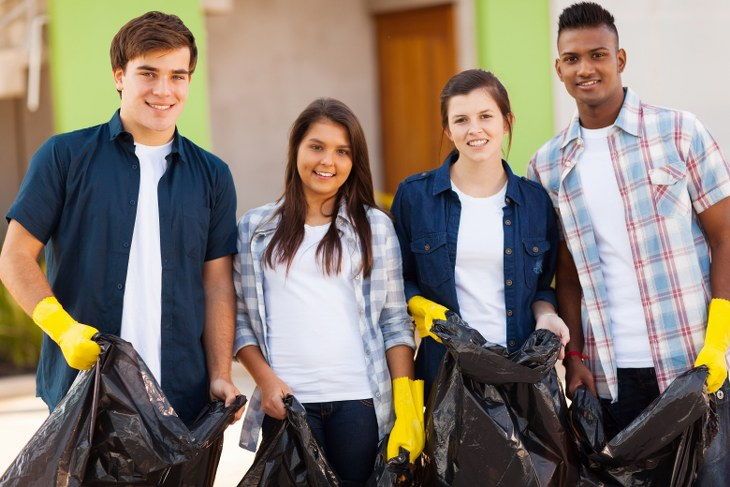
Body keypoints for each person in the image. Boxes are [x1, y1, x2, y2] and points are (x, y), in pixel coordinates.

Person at [0, 11, 243, 426]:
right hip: (84, 395)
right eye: (148, 73)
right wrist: (63, 330)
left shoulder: (212, 175)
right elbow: (15, 257)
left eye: (177, 76)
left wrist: (220, 373)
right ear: (119, 76)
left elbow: (217, 282)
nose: (164, 90)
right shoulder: (64, 157)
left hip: (182, 398)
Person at [529, 3, 729, 483]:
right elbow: (567, 271)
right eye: (572, 59)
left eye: (598, 55)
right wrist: (575, 358)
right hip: (614, 379)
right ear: (559, 68)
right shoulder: (548, 164)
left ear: (620, 59)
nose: (585, 69)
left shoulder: (679, 132)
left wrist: (719, 338)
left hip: (696, 365)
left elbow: (725, 236)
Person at [234, 98, 423, 485]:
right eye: (316, 147)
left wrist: (405, 405)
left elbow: (394, 320)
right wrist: (266, 383)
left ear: (355, 161)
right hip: (286, 404)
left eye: (342, 151)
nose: (327, 161)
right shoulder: (255, 229)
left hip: (360, 403)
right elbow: (241, 320)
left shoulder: (375, 228)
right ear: (297, 150)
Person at [391, 69, 570, 396]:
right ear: (447, 129)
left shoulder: (535, 201)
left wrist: (547, 316)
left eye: (486, 116)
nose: (474, 129)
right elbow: (398, 281)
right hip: (447, 376)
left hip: (521, 373)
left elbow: (543, 286)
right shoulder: (415, 197)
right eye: (461, 120)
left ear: (506, 122)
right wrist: (422, 307)